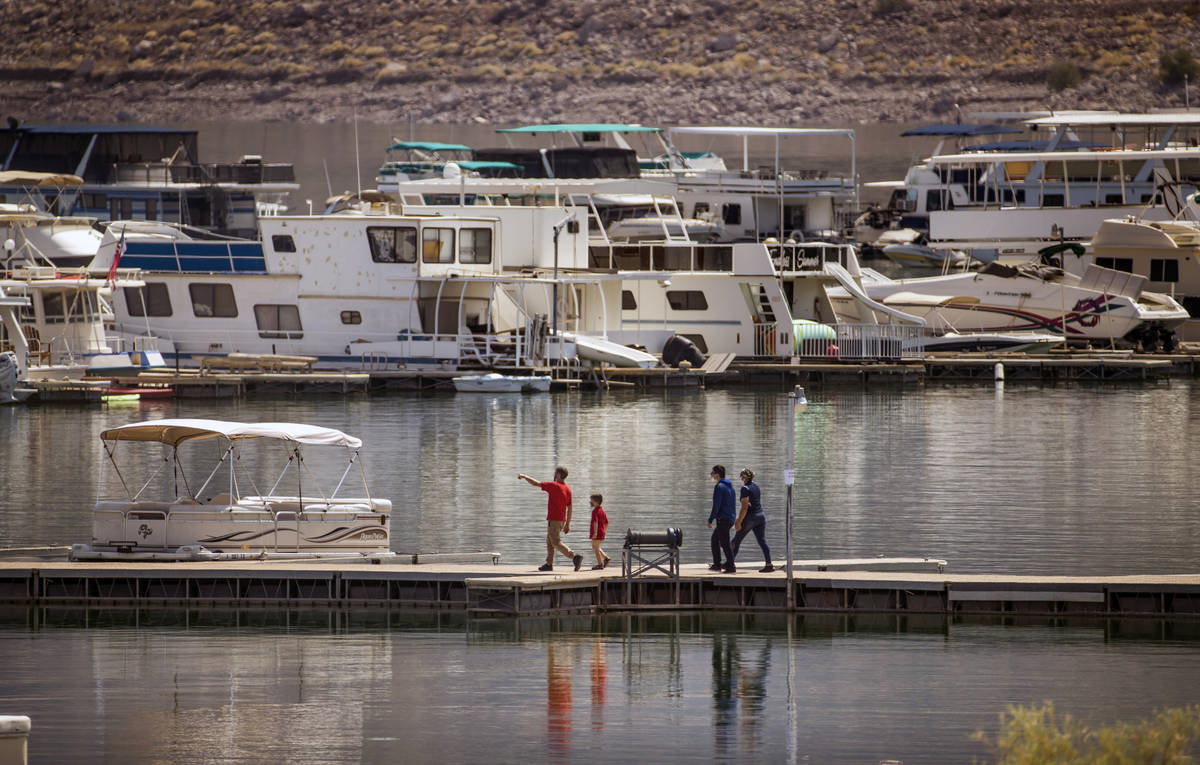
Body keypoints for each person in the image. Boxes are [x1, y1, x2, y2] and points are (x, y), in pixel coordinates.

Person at [519, 467, 584, 572]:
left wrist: (524, 476)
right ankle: (549, 564)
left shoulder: (554, 485)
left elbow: (536, 483)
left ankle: (574, 557)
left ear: (558, 475)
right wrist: (567, 524)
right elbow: (570, 507)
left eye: (555, 473)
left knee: (556, 542)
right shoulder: (567, 489)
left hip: (554, 519)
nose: (554, 474)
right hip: (561, 520)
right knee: (549, 541)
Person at [732, 467, 775, 573]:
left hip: (750, 518)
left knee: (735, 541)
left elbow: (744, 507)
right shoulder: (756, 486)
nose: (741, 479)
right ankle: (769, 564)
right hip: (761, 516)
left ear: (744, 477)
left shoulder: (745, 488)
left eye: (741, 477)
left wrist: (738, 521)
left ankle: (730, 563)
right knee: (762, 541)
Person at [707, 464, 737, 573]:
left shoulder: (719, 487)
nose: (711, 475)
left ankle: (731, 566)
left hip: (723, 519)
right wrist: (733, 518)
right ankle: (717, 564)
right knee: (715, 540)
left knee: (725, 543)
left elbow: (716, 505)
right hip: (730, 518)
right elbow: (733, 504)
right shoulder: (730, 487)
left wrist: (711, 519)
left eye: (713, 473)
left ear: (717, 475)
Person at [588, 493, 611, 570]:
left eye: (591, 501)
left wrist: (595, 533)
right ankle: (606, 558)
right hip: (602, 532)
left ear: (596, 502)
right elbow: (607, 522)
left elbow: (595, 522)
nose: (590, 502)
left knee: (596, 548)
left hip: (597, 533)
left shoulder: (595, 511)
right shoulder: (602, 511)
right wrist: (604, 530)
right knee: (595, 547)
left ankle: (600, 564)